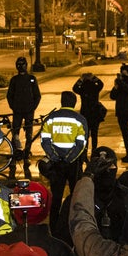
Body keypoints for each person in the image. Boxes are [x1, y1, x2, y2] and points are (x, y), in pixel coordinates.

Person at [39, 91, 90, 226]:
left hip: (56, 164)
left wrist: (55, 157)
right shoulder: (80, 119)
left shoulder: (51, 118)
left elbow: (45, 141)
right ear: (74, 103)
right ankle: (73, 223)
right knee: (75, 195)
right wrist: (69, 158)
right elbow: (81, 144)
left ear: (62, 102)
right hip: (73, 163)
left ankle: (54, 226)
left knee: (56, 196)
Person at [8, 56, 43, 177]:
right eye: (19, 64)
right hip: (17, 111)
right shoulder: (14, 80)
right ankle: (14, 156)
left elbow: (37, 95)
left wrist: (32, 107)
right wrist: (14, 107)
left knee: (29, 135)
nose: (21, 66)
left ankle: (26, 156)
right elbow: (9, 95)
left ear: (26, 65)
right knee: (15, 134)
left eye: (22, 64)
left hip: (28, 111)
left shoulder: (31, 79)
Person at [73, 71, 107, 151]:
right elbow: (101, 84)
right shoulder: (95, 88)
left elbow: (74, 88)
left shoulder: (82, 89)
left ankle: (85, 150)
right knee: (94, 134)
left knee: (86, 134)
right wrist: (94, 77)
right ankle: (94, 150)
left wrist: (80, 79)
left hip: (85, 113)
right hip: (95, 113)